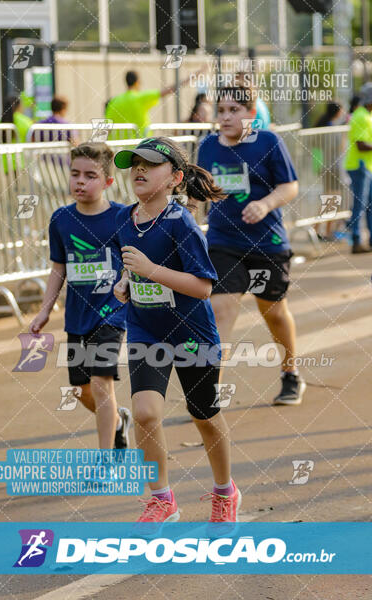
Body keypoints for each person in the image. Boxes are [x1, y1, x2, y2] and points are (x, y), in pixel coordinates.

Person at [113, 137, 240, 529]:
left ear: (174, 178)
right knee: (146, 413)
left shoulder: (180, 222)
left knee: (203, 414)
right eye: (135, 163)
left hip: (192, 332)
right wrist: (124, 282)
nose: (139, 169)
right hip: (145, 329)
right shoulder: (124, 219)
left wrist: (150, 271)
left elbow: (203, 286)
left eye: (150, 164)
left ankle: (225, 491)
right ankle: (161, 499)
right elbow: (132, 267)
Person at [198, 85, 306, 406]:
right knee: (220, 310)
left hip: (266, 243)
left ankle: (291, 374)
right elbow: (199, 191)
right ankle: (210, 391)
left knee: (272, 311)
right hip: (222, 241)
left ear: (250, 113)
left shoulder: (269, 142)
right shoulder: (208, 147)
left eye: (234, 110)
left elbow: (290, 186)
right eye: (221, 111)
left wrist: (266, 204)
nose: (226, 117)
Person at [29, 142, 131, 449]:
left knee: (101, 384)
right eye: (75, 174)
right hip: (77, 316)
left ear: (108, 182)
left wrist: (126, 282)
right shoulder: (61, 219)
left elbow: (132, 261)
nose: (80, 181)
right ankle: (117, 419)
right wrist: (46, 309)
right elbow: (58, 268)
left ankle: (106, 459)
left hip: (112, 313)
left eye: (90, 175)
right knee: (81, 389)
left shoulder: (121, 217)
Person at [105, 70, 195, 138]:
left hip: (118, 152)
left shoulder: (114, 101)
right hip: (138, 148)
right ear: (137, 82)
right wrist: (192, 77)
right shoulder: (140, 97)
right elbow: (169, 90)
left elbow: (106, 127)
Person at [344, 82, 372, 253]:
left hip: (367, 166)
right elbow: (361, 145)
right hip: (359, 166)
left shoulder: (367, 115)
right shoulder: (360, 116)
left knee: (369, 205)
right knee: (360, 205)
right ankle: (356, 239)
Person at [314, 101, 346, 242]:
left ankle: (320, 229)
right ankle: (324, 231)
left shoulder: (323, 125)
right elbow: (338, 147)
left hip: (326, 166)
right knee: (331, 199)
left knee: (329, 198)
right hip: (332, 167)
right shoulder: (331, 128)